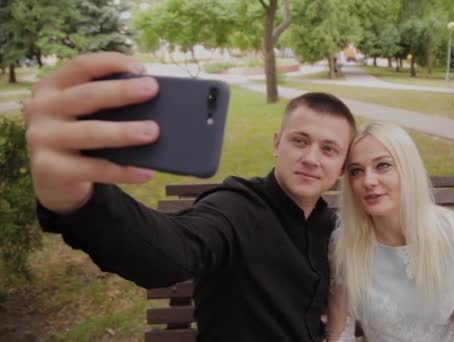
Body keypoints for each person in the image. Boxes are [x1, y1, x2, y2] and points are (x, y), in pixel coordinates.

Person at [25, 52, 357, 341]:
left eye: (329, 149)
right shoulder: (234, 208)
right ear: (276, 144)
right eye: (300, 141)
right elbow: (172, 252)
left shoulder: (329, 226)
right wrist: (81, 199)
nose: (312, 158)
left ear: (342, 165)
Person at [326, 122, 454, 342]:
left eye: (382, 165)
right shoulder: (345, 242)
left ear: (408, 168)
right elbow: (339, 335)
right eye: (356, 171)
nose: (368, 181)